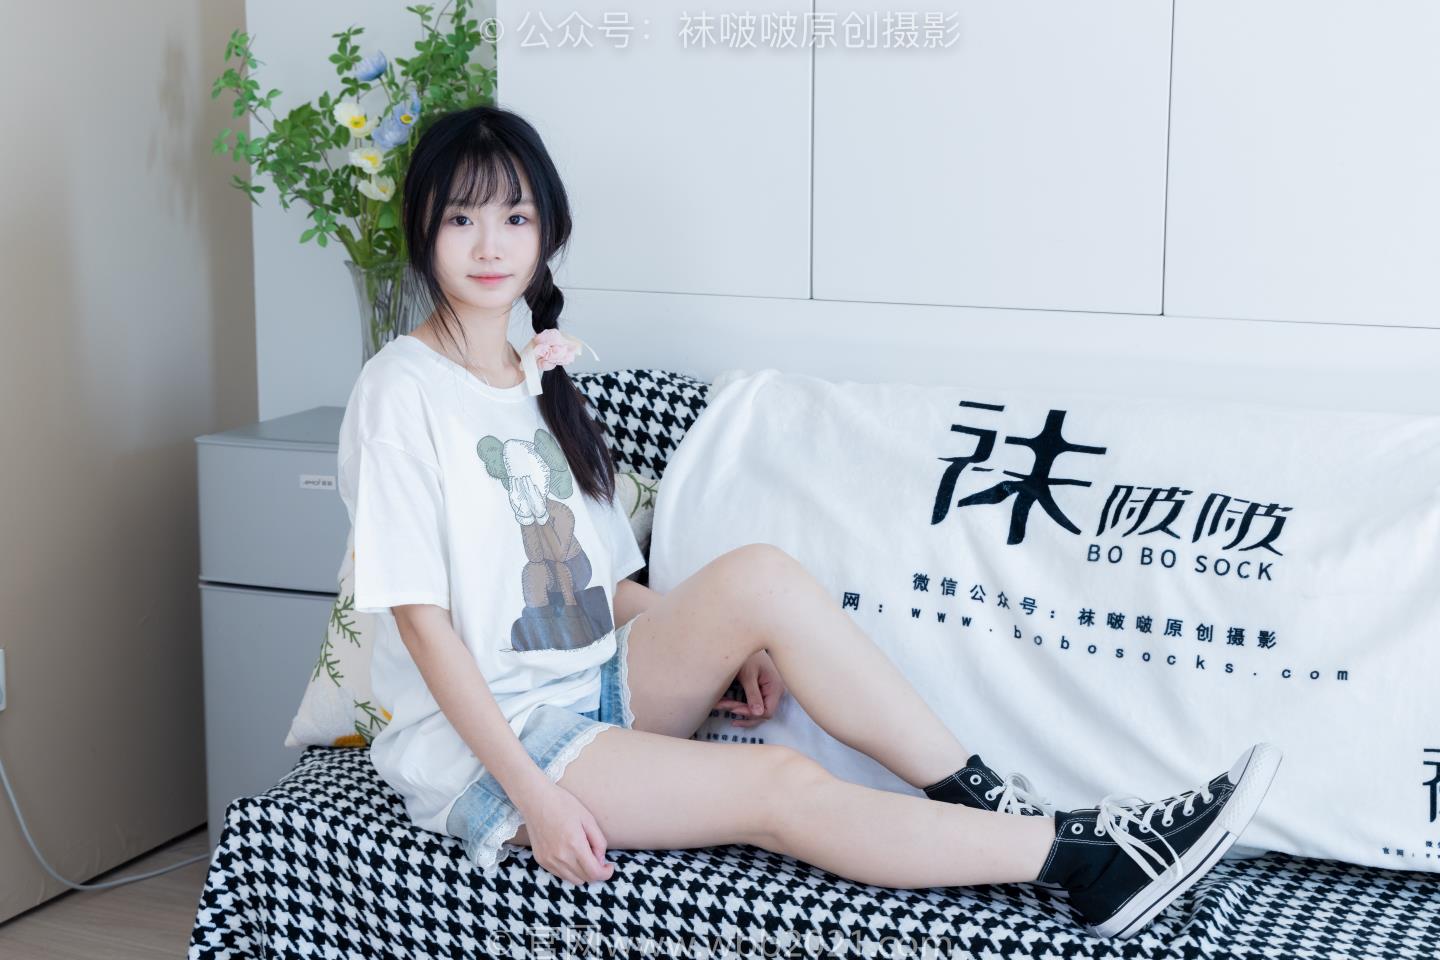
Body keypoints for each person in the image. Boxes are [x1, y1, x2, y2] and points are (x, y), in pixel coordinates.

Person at [336, 103, 1283, 943]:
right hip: (492, 743)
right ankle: (1085, 859)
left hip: (591, 683)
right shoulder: (400, 391)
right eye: (461, 218)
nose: (490, 245)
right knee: (778, 788)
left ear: (547, 232)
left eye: (515, 217)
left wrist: (717, 642)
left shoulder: (539, 371)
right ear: (424, 228)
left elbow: (608, 586)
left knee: (760, 578)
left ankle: (996, 803)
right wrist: (534, 796)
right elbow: (423, 625)